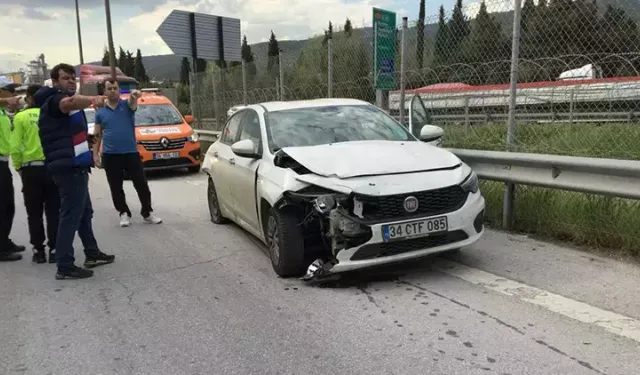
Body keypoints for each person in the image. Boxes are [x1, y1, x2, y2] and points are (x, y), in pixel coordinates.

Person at [34, 63, 115, 279]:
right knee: (71, 215)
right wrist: (91, 100)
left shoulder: (63, 106)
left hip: (76, 165)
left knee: (83, 213)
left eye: (72, 78)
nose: (70, 81)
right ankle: (64, 264)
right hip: (68, 168)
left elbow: (66, 135)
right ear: (55, 81)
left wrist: (87, 141)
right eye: (65, 78)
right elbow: (69, 102)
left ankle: (92, 253)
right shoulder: (55, 100)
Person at [93, 79, 162, 227]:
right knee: (115, 186)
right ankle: (123, 212)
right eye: (109, 88)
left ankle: (147, 212)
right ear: (104, 92)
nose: (113, 91)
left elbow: (132, 102)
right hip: (111, 154)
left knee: (141, 183)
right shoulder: (101, 113)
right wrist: (95, 154)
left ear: (119, 89)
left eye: (115, 88)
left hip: (130, 152)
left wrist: (134, 96)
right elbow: (97, 135)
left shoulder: (127, 105)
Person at [11, 84, 60, 264]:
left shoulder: (20, 117)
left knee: (34, 212)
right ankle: (55, 248)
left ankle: (38, 250)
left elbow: (15, 146)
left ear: (30, 98)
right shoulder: (53, 115)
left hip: (31, 169)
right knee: (54, 210)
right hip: (52, 167)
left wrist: (18, 167)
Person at [0, 76, 26, 262]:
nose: (14, 94)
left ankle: (4, 240)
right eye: (10, 91)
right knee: (2, 206)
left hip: (3, 162)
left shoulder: (3, 113)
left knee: (8, 205)